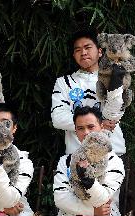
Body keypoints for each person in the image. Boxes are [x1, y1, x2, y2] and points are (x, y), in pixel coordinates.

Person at [50, 29, 127, 157]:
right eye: (78, 50)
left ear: (100, 51)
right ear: (74, 55)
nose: (83, 53)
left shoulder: (114, 76)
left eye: (88, 47)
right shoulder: (64, 82)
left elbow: (118, 110)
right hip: (77, 154)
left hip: (113, 151)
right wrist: (99, 123)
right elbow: (58, 118)